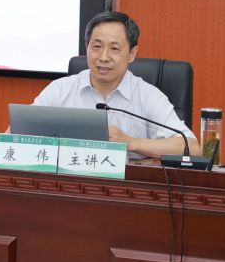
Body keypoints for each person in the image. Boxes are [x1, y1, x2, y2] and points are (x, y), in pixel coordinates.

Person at [32, 11, 200, 157]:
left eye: (114, 49)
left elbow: (192, 148)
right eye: (97, 46)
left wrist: (132, 143)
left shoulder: (148, 96)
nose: (104, 57)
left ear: (132, 54)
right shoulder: (59, 90)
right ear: (87, 47)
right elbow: (19, 132)